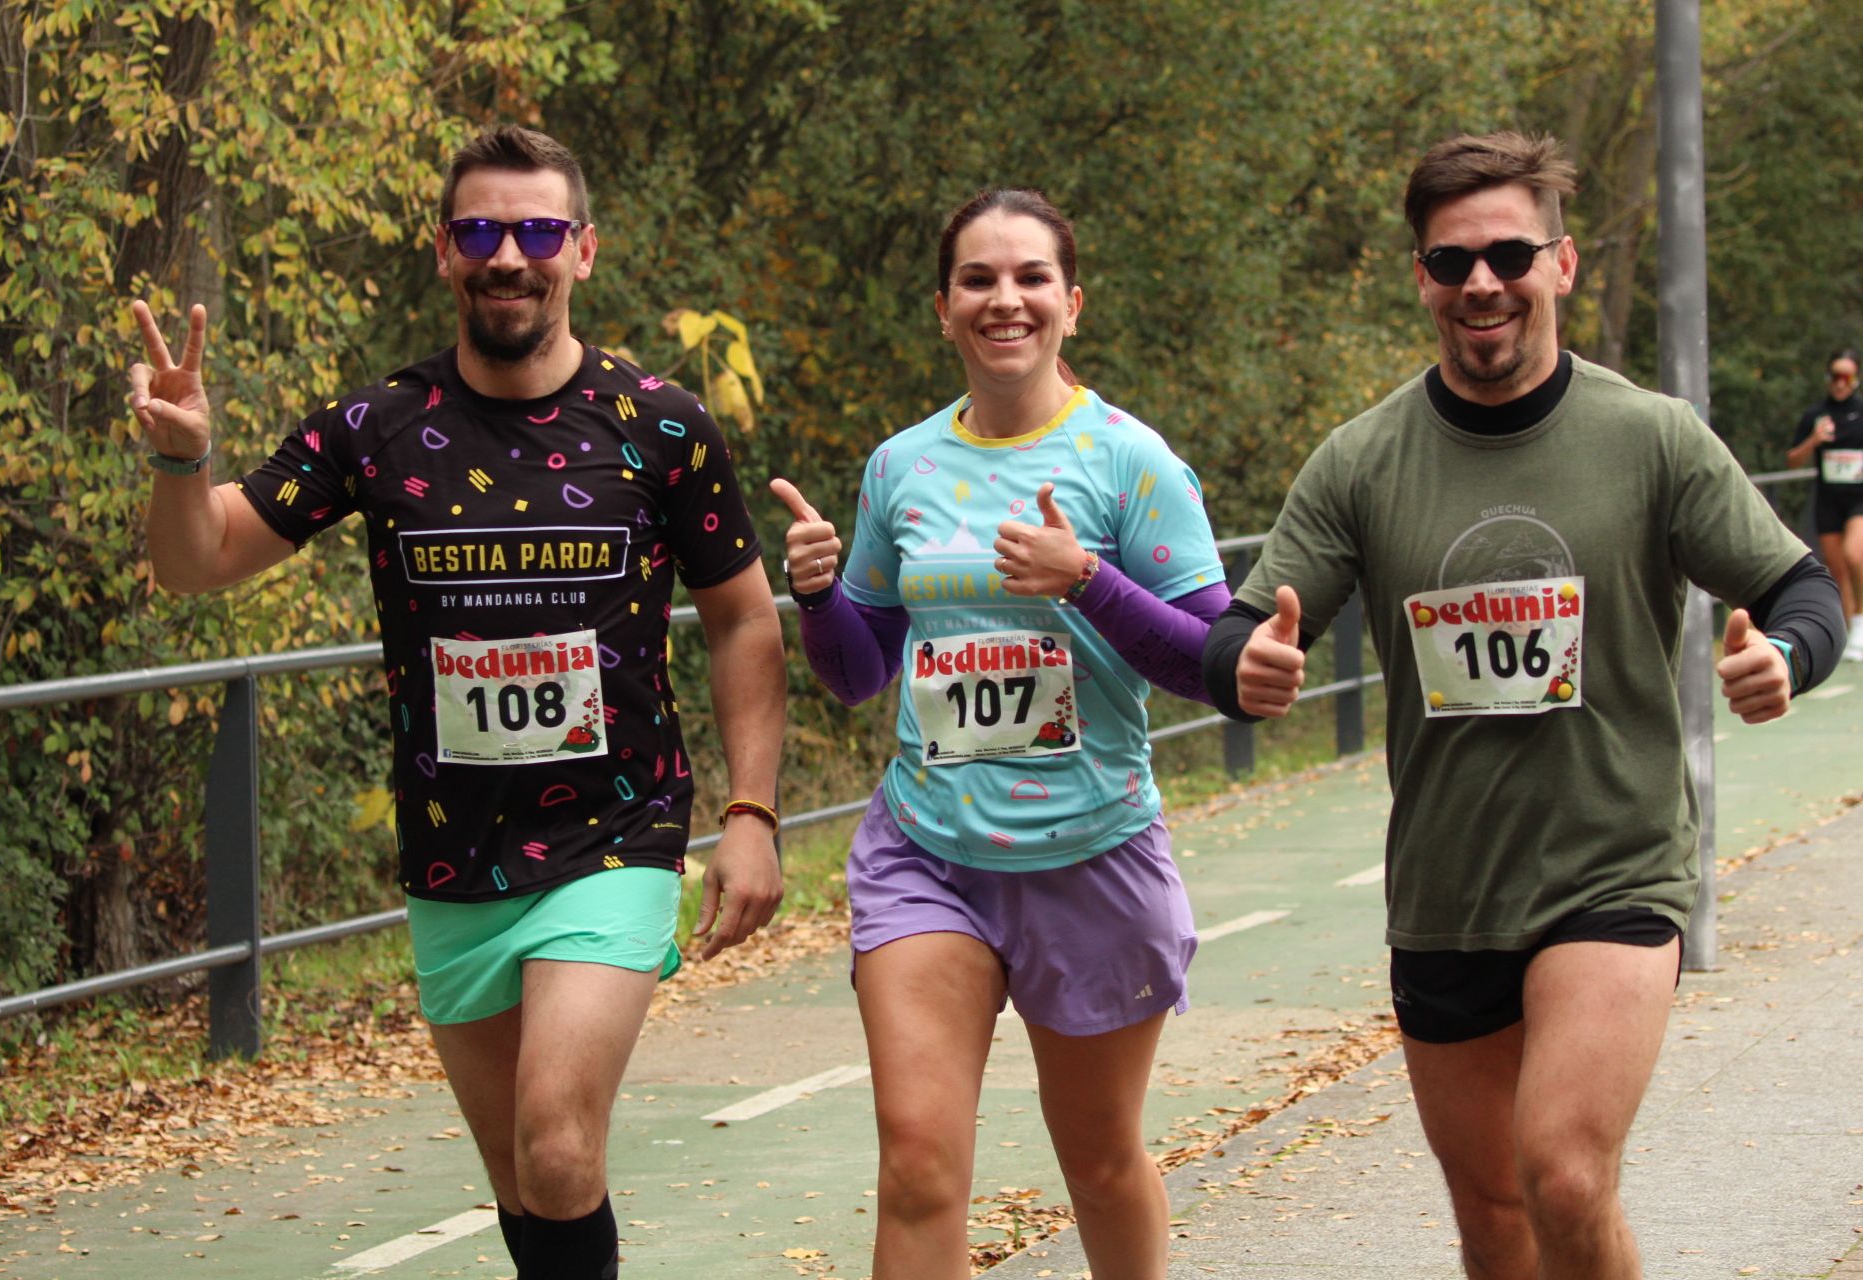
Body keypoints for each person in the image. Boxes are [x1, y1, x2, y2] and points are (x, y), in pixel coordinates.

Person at [128, 125, 786, 1280]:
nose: (508, 257)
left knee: (559, 1140)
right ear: (445, 252)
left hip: (615, 838)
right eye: (480, 231)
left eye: (537, 232)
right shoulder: (380, 425)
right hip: (452, 855)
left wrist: (750, 812)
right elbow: (198, 561)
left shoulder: (661, 424)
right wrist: (183, 463)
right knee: (524, 1186)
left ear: (582, 250)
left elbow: (742, 615)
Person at [1201, 132, 1844, 1280]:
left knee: (1563, 1171)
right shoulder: (1361, 460)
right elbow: (1243, 625)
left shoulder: (1651, 439)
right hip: (1448, 891)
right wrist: (1246, 663)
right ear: (1423, 279)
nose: (1481, 283)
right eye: (1452, 263)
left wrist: (1789, 657)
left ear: (1563, 263)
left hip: (1614, 864)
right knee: (1496, 1217)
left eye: (1508, 253)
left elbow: (1799, 585)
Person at [772, 187, 1228, 1279]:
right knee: (920, 1160)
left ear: (1072, 302)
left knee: (1102, 1160)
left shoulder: (1132, 462)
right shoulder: (902, 467)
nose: (1004, 299)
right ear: (943, 308)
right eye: (979, 279)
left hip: (1091, 854)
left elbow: (1212, 662)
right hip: (929, 851)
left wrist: (1088, 582)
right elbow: (859, 671)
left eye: (1030, 278)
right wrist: (822, 596)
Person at [1785, 348, 1863, 660]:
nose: (1840, 383)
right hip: (1829, 501)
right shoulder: (1815, 415)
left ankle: (1860, 621)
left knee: (1854, 555)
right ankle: (1848, 634)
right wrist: (1814, 440)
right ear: (1827, 378)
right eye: (1835, 376)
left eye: (1846, 376)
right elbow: (1792, 461)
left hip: (1859, 498)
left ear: (1855, 379)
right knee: (1837, 569)